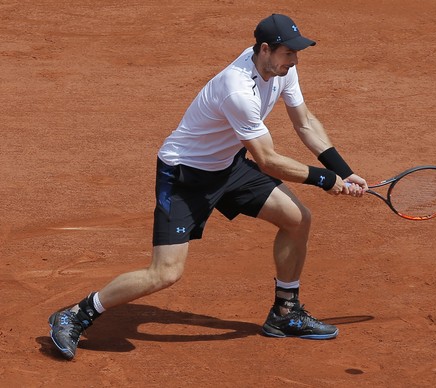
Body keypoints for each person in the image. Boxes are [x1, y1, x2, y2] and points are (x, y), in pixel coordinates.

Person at [48, 13, 368, 360]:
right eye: (289, 53)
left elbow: (304, 122)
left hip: (228, 166)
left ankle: (285, 314)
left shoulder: (280, 71)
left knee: (296, 219)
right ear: (265, 49)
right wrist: (325, 180)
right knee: (165, 272)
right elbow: (267, 159)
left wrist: (342, 170)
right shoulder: (237, 89)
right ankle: (76, 314)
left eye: (296, 53)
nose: (294, 60)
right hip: (185, 174)